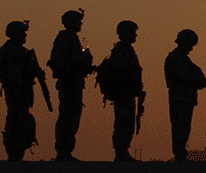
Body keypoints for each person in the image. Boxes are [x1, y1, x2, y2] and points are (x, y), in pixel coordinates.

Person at [47, 9, 92, 161]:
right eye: (78, 21)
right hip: (68, 83)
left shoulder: (73, 38)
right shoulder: (64, 38)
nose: (80, 24)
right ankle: (62, 151)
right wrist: (81, 59)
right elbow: (62, 63)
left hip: (75, 83)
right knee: (67, 116)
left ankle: (66, 151)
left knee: (73, 117)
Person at [100, 20, 144, 162]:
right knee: (123, 121)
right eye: (133, 33)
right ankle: (121, 151)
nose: (135, 36)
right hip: (123, 92)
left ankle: (122, 151)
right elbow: (124, 71)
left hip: (127, 91)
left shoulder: (125, 50)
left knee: (127, 121)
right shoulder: (121, 51)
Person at [0, 21, 45, 160]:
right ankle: (14, 150)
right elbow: (14, 73)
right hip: (17, 90)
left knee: (21, 118)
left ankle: (18, 150)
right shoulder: (12, 51)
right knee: (16, 118)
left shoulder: (21, 50)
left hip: (23, 90)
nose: (25, 35)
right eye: (22, 32)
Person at [163, 29, 206, 162]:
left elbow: (201, 79)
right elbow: (188, 76)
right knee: (180, 126)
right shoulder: (175, 58)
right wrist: (195, 78)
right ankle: (179, 153)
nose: (191, 49)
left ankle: (180, 152)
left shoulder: (184, 59)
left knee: (184, 127)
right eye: (190, 45)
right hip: (180, 98)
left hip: (185, 98)